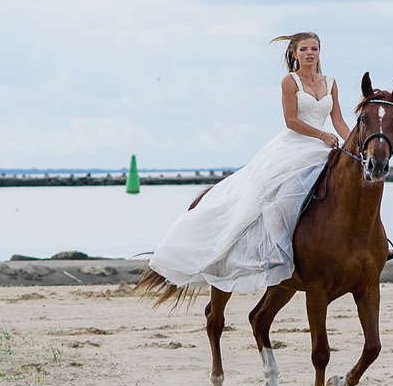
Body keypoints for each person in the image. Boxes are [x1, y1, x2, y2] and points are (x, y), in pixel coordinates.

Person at [143, 32, 348, 295]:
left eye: (315, 49)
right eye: (305, 49)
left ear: (320, 52)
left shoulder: (330, 82)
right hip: (295, 146)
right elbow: (291, 121)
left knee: (349, 188)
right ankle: (277, 249)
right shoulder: (290, 81)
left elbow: (339, 120)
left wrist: (355, 144)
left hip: (324, 146)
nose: (310, 53)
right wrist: (321, 134)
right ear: (295, 54)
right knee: (284, 198)